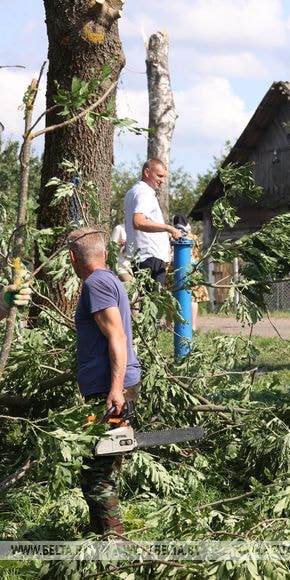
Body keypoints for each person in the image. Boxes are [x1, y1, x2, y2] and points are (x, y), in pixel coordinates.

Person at [68, 227, 141, 535]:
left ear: (73, 258)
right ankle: (100, 539)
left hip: (108, 393)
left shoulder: (95, 284)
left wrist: (114, 388)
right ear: (106, 253)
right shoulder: (109, 279)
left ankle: (116, 546)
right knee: (98, 467)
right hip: (112, 389)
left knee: (96, 475)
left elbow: (117, 336)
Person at [123, 159, 183, 288]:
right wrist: (169, 228)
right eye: (159, 176)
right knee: (153, 303)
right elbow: (138, 222)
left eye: (164, 177)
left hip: (140, 257)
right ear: (147, 172)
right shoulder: (145, 193)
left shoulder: (132, 192)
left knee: (147, 303)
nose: (163, 181)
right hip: (150, 257)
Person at [171, 215, 209, 331]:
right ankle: (193, 326)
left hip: (174, 269)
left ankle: (169, 325)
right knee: (193, 298)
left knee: (171, 297)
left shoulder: (171, 236)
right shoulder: (193, 237)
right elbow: (196, 253)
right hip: (192, 269)